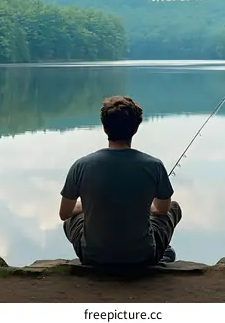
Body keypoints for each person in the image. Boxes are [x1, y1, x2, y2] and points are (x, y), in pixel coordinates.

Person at [58, 95, 182, 267]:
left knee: (72, 218)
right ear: (136, 128)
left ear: (104, 127)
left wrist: (87, 206)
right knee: (173, 208)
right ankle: (161, 252)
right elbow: (162, 210)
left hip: (92, 257)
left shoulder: (81, 166)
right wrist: (141, 207)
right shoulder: (154, 166)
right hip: (142, 256)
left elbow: (64, 213)